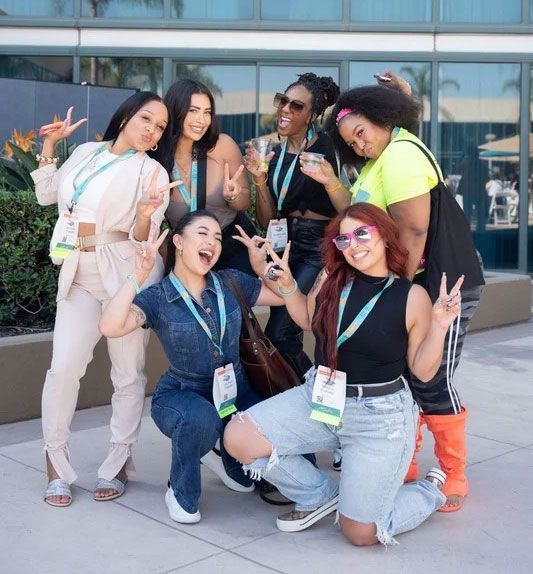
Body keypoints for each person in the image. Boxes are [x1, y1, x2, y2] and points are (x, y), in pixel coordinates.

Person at [224, 203, 464, 545]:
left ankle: (429, 489)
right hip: (320, 398)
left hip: (380, 417)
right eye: (344, 239)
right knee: (239, 438)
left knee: (361, 533)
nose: (353, 244)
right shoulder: (331, 280)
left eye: (362, 233)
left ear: (385, 235)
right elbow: (308, 323)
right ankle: (320, 494)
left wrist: (440, 326)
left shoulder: (411, 296)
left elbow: (423, 372)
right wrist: (290, 285)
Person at [308, 83, 484, 512]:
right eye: (351, 141)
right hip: (410, 288)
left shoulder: (402, 153)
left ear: (384, 118)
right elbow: (358, 213)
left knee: (432, 377)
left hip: (442, 286)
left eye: (362, 131)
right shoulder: (380, 161)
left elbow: (413, 230)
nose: (360, 143)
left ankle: (452, 469)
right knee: (405, 377)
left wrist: (394, 291)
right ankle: (401, 459)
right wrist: (333, 180)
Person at [32, 92, 174, 507]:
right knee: (62, 370)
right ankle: (55, 463)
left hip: (125, 278)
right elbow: (48, 197)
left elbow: (145, 239)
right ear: (127, 115)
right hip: (78, 274)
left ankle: (117, 461)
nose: (152, 129)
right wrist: (49, 147)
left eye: (161, 126)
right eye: (146, 118)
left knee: (127, 374)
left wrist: (148, 212)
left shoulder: (153, 171)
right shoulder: (86, 151)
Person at [99, 210, 286, 524]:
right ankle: (180, 489)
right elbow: (110, 326)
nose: (212, 242)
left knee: (255, 464)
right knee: (200, 419)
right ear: (178, 242)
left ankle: (222, 451)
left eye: (217, 237)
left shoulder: (230, 282)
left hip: (235, 390)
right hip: (184, 394)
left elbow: (284, 297)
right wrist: (138, 275)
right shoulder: (159, 296)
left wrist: (261, 268)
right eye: (202, 233)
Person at [243, 72, 343, 379]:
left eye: (296, 106)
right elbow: (266, 219)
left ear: (312, 115)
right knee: (283, 330)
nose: (286, 109)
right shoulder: (274, 154)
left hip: (316, 248)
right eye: (282, 101)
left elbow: (351, 209)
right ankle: (297, 394)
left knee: (280, 332)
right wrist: (259, 181)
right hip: (282, 246)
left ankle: (315, 391)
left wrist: (331, 182)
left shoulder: (331, 150)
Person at [155, 78, 256, 276]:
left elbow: (244, 203)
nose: (202, 121)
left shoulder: (223, 145)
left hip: (231, 248)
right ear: (176, 111)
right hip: (186, 255)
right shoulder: (157, 158)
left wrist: (233, 197)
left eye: (207, 112)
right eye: (193, 111)